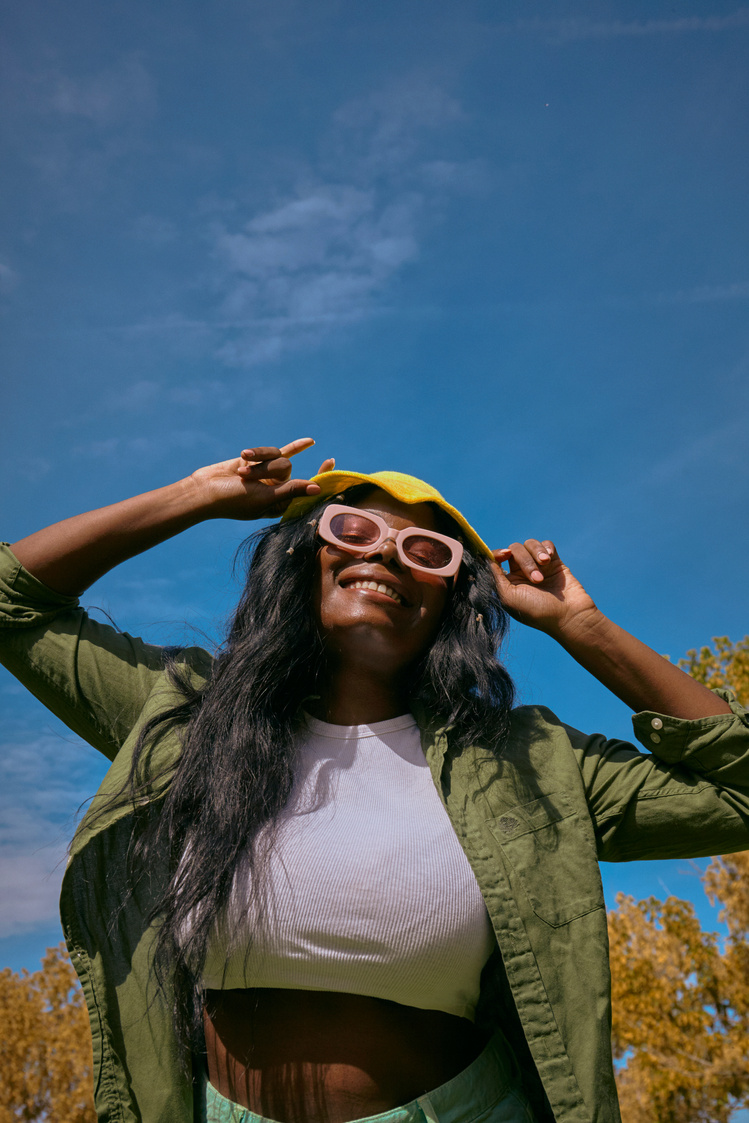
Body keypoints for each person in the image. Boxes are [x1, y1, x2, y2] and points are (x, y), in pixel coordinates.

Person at [1, 438, 747, 1123]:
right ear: (303, 558)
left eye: (425, 550)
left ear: (452, 600)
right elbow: (12, 602)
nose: (386, 557)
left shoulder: (527, 759)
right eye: (353, 532)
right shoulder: (189, 714)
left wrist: (581, 626)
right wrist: (197, 493)